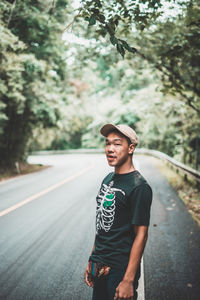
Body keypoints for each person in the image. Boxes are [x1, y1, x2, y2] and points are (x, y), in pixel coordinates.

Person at [84, 123, 152, 300]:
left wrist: (128, 280)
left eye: (117, 143)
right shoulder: (108, 179)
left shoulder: (139, 187)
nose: (110, 149)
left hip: (120, 269)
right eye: (107, 143)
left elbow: (141, 235)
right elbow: (101, 225)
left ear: (131, 148)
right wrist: (93, 258)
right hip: (100, 265)